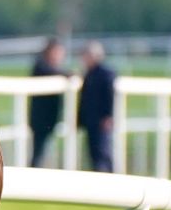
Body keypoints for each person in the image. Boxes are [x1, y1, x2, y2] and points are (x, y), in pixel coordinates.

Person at [28, 37, 70, 167]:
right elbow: (50, 72)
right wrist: (68, 74)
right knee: (39, 153)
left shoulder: (48, 67)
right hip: (41, 120)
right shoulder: (41, 66)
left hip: (49, 119)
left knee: (43, 152)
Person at [77, 41, 117, 172]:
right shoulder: (89, 74)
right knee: (94, 153)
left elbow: (110, 97)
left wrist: (108, 116)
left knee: (102, 153)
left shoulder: (106, 74)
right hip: (91, 120)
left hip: (101, 121)